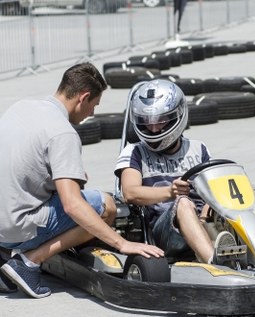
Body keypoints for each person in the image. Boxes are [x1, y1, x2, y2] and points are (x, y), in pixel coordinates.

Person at [0, 63, 164, 299]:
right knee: (104, 205)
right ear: (83, 98)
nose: (93, 114)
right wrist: (121, 243)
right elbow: (72, 206)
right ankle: (28, 263)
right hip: (17, 228)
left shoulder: (21, 107)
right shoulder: (63, 133)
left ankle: (3, 255)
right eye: (94, 106)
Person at [114, 79, 255, 265]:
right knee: (183, 203)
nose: (153, 128)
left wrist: (209, 209)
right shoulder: (135, 152)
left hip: (203, 220)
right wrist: (169, 192)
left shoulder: (198, 148)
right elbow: (130, 192)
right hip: (165, 232)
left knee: (251, 195)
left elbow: (213, 187)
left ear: (178, 115)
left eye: (160, 121)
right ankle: (214, 261)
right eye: (146, 122)